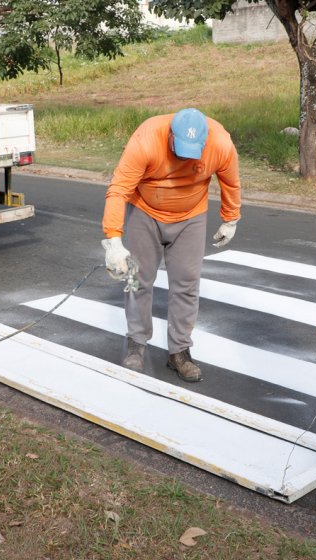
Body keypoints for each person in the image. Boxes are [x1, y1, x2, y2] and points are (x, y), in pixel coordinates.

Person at [102, 108, 241, 382]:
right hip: (145, 212)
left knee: (187, 285)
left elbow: (231, 182)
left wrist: (230, 218)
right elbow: (119, 189)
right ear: (170, 136)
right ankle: (136, 344)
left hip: (191, 216)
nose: (184, 157)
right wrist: (113, 240)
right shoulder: (146, 139)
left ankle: (180, 351)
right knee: (137, 279)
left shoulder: (221, 143)